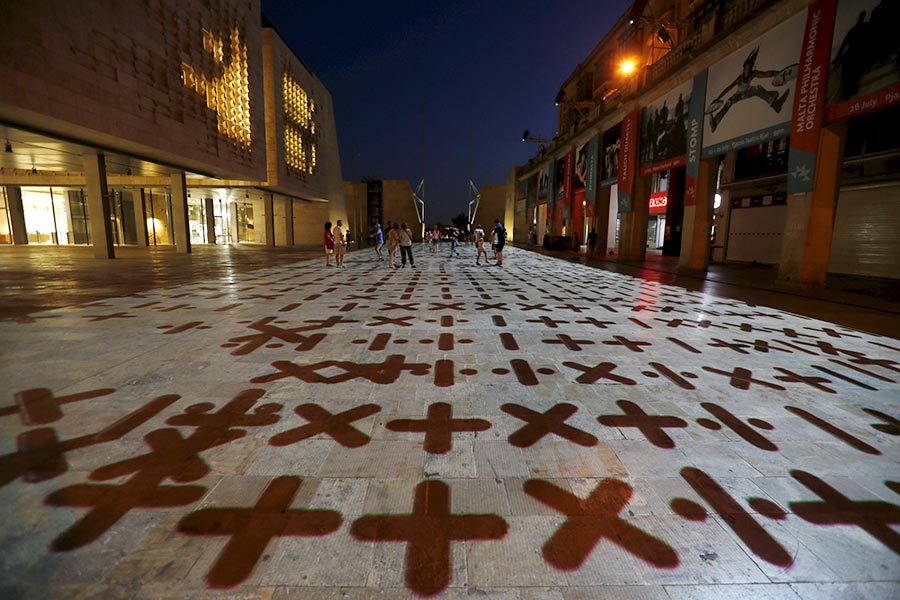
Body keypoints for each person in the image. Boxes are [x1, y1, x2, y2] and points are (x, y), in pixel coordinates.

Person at [708, 47, 790, 133]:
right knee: (729, 102)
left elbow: (766, 74)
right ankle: (715, 122)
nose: (747, 70)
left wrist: (780, 73)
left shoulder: (753, 74)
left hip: (748, 91)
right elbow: (728, 88)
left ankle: (774, 103)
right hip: (739, 94)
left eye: (749, 68)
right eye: (746, 69)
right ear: (743, 69)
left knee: (758, 88)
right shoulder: (739, 79)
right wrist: (718, 98)